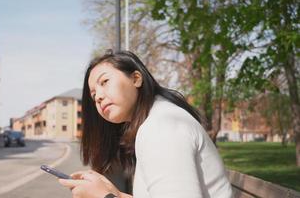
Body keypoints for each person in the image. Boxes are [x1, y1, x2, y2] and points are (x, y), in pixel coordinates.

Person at [59, 49, 233, 198]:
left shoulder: (161, 127)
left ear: (136, 79)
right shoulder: (160, 118)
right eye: (93, 94)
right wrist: (116, 194)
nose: (99, 97)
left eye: (105, 82)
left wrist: (105, 197)